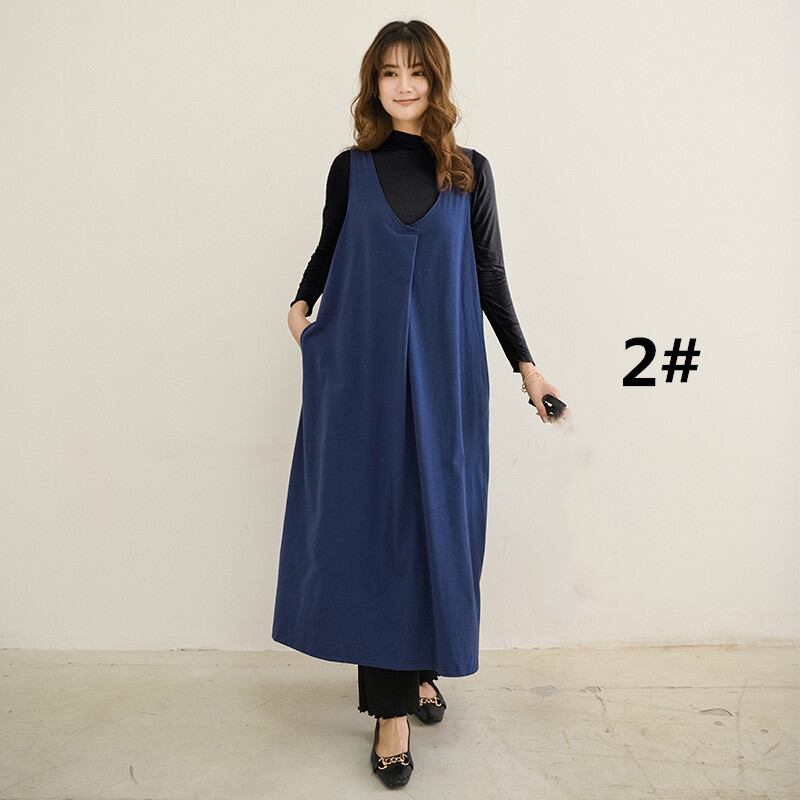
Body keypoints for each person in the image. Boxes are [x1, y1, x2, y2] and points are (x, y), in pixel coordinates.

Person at [272, 19, 565, 788]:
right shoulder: (351, 168)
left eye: (417, 72)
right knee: (375, 536)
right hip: (362, 378)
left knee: (439, 528)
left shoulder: (469, 173)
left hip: (446, 378)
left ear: (437, 81)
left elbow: (490, 276)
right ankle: (391, 713)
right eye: (389, 73)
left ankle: (420, 665)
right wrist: (300, 313)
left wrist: (528, 368)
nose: (403, 86)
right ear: (374, 84)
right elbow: (328, 250)